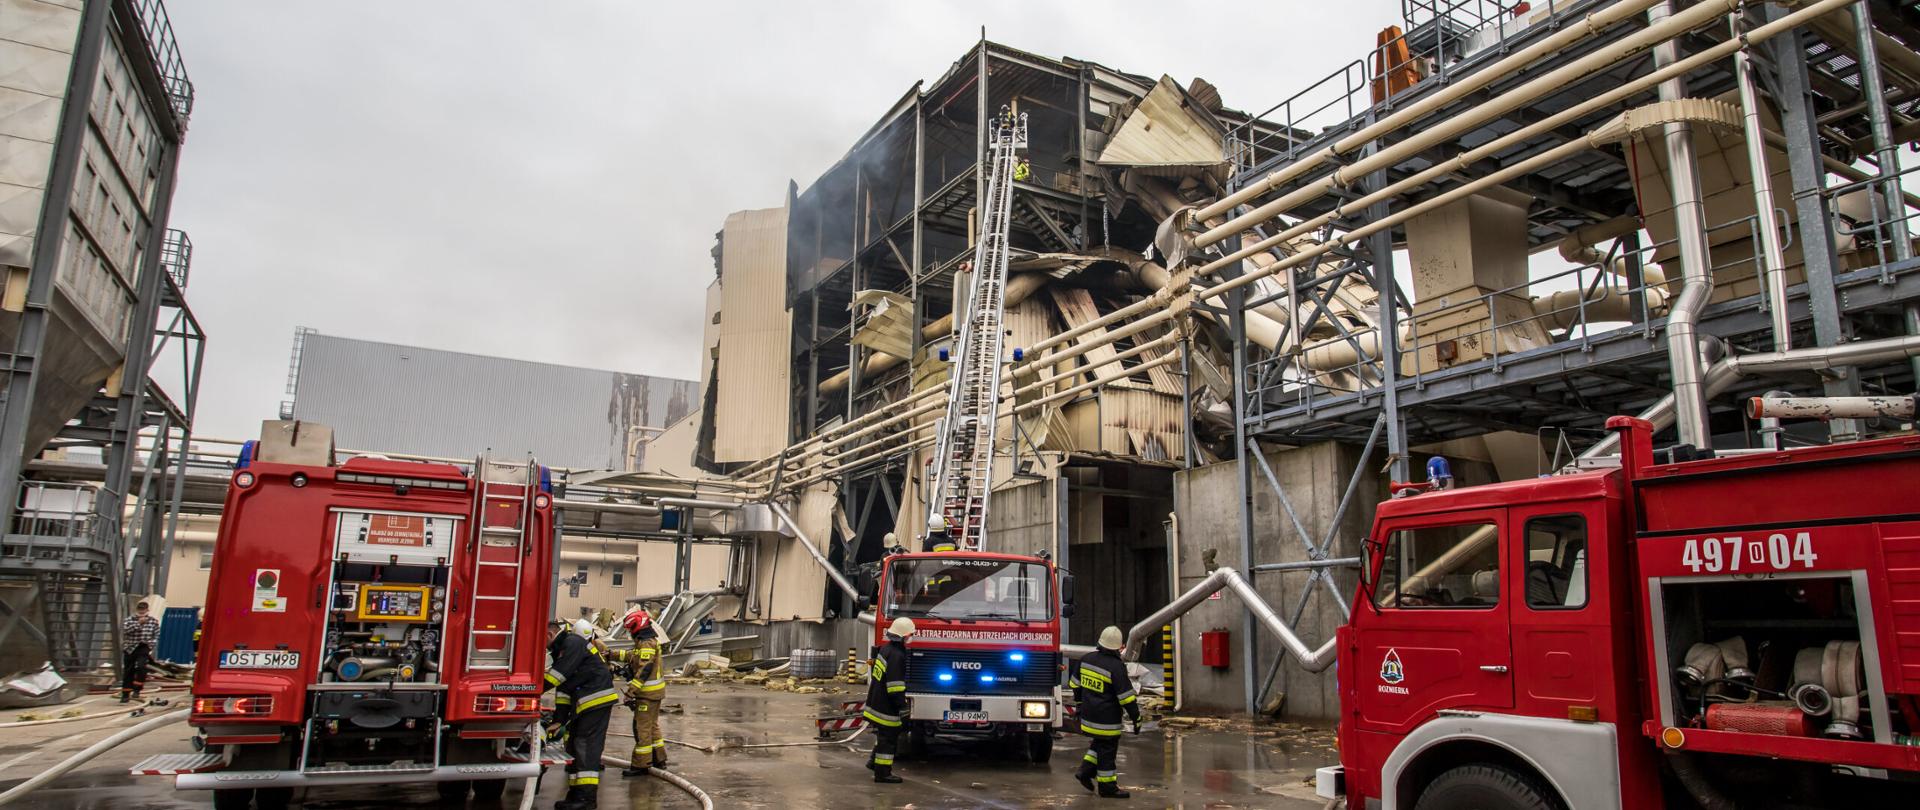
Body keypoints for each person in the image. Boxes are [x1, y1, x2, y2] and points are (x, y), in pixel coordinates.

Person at [546, 617, 620, 810]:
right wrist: (558, 720)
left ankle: (587, 799)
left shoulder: (572, 643)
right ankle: (575, 795)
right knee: (573, 746)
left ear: (550, 634)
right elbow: (563, 689)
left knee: (585, 747)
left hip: (595, 701)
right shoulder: (561, 650)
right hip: (585, 703)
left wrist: (531, 689)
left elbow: (556, 677)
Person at [1070, 626, 1141, 799]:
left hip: (1088, 716)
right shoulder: (1116, 667)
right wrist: (1136, 718)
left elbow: (1074, 684)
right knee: (1107, 751)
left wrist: (1079, 705)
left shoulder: (1086, 659)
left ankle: (1085, 771)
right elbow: (1126, 698)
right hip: (1107, 721)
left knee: (1100, 744)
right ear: (1119, 647)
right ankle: (1107, 787)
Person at [614, 607, 669, 776]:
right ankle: (658, 758)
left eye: (630, 629)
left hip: (647, 694)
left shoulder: (646, 643)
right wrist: (611, 654)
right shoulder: (646, 641)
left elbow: (644, 669)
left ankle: (641, 765)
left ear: (636, 626)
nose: (630, 632)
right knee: (652, 726)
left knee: (641, 728)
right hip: (654, 694)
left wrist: (630, 692)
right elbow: (633, 656)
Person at [862, 617, 914, 784]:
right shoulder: (897, 655)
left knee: (883, 736)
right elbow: (895, 687)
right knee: (888, 739)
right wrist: (903, 708)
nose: (911, 637)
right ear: (903, 636)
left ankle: (873, 762)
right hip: (886, 707)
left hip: (876, 701)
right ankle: (883, 773)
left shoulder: (886, 649)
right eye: (910, 634)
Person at [120, 601, 160, 703]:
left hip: (144, 646)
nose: (142, 612)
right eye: (140, 610)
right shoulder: (129, 620)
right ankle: (125, 694)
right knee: (129, 670)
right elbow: (126, 630)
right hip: (130, 647)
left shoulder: (153, 621)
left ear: (147, 610)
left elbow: (156, 635)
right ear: (137, 610)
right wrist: (138, 624)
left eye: (143, 610)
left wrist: (150, 645)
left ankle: (137, 689)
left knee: (142, 667)